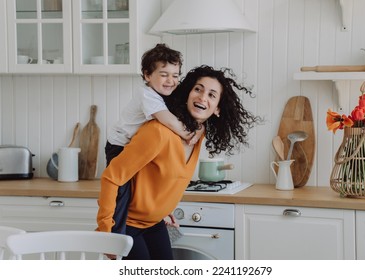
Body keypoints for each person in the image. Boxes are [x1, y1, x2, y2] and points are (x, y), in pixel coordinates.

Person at [97, 65, 260, 259]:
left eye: (211, 95)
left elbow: (167, 179)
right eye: (198, 89)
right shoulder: (158, 132)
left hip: (155, 223)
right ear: (187, 93)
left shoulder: (198, 135)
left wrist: (165, 210)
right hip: (127, 224)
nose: (202, 97)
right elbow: (112, 176)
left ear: (217, 109)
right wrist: (106, 231)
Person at [105, 44, 204, 234]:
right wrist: (190, 133)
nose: (171, 81)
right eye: (164, 74)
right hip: (119, 145)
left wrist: (199, 127)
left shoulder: (164, 94)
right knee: (122, 192)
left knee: (144, 190)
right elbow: (169, 120)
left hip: (138, 147)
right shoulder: (147, 95)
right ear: (147, 75)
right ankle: (115, 234)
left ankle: (152, 218)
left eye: (175, 75)